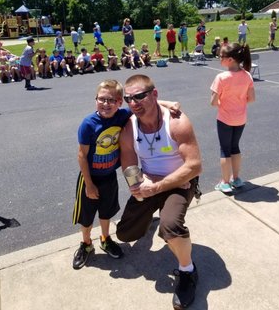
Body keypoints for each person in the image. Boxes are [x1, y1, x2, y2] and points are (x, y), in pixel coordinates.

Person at [72, 79, 180, 270]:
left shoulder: (121, 116)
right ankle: (86, 243)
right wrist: (88, 184)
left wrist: (169, 104)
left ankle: (105, 239)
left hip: (109, 177)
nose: (106, 104)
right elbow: (82, 156)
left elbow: (143, 104)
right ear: (95, 99)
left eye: (112, 100)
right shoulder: (89, 124)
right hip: (90, 178)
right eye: (102, 99)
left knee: (106, 211)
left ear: (120, 102)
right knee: (87, 216)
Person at [116, 74, 202, 310]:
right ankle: (151, 221)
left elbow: (194, 166)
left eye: (140, 96)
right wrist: (136, 186)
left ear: (154, 94)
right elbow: (129, 164)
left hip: (181, 182)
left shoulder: (176, 121)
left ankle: (188, 271)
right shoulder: (128, 127)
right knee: (124, 234)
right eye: (129, 98)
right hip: (151, 181)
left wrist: (158, 185)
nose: (134, 103)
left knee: (171, 227)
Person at [210, 42, 255, 193]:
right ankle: (236, 178)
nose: (219, 58)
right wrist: (240, 101)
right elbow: (252, 98)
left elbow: (213, 102)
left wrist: (222, 102)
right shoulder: (247, 75)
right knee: (235, 147)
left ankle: (224, 182)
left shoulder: (221, 77)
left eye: (221, 56)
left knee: (225, 150)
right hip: (240, 118)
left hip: (225, 118)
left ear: (230, 59)